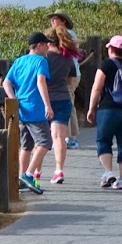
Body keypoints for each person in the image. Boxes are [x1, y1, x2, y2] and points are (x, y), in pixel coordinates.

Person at [87, 34, 122, 189]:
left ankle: (108, 172)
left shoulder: (106, 64)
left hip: (109, 110)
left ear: (111, 49)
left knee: (103, 140)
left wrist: (91, 109)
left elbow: (97, 88)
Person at [2, 32, 55, 195]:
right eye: (46, 45)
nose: (48, 48)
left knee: (26, 146)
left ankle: (21, 180)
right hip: (35, 108)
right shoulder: (41, 61)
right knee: (45, 142)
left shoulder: (19, 61)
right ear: (39, 45)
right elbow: (41, 81)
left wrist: (13, 99)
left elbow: (6, 82)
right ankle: (28, 175)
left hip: (22, 110)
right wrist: (48, 105)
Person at [43, 24, 79, 184]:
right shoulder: (68, 58)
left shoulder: (44, 58)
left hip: (45, 100)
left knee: (40, 139)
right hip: (63, 99)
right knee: (59, 137)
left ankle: (35, 172)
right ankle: (58, 170)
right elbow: (70, 81)